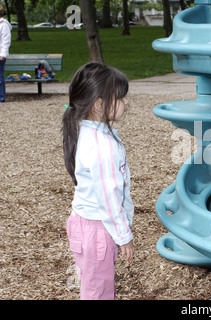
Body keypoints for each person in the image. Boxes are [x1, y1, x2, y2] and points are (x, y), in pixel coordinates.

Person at [62, 62, 134, 300]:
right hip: (98, 230)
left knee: (93, 284)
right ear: (99, 104)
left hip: (86, 225)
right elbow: (109, 196)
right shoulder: (103, 145)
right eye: (121, 98)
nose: (126, 103)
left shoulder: (85, 129)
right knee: (98, 292)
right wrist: (124, 236)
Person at [0, 6, 11, 102]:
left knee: (0, 77)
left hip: (0, 55)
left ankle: (1, 97)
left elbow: (5, 41)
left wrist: (3, 54)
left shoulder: (4, 25)